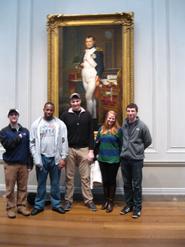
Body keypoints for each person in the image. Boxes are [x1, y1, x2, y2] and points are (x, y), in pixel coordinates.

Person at [30, 102, 68, 215]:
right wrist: (36, 158)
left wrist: (63, 158)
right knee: (41, 184)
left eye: (51, 110)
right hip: (42, 158)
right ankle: (38, 205)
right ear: (43, 109)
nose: (49, 112)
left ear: (53, 111)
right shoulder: (36, 124)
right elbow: (31, 143)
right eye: (47, 110)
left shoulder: (60, 124)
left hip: (55, 159)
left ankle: (56, 205)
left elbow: (64, 141)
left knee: (55, 184)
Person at [61, 93, 96, 211]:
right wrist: (62, 152)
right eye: (73, 101)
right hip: (69, 149)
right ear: (70, 103)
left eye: (77, 101)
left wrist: (91, 151)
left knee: (85, 177)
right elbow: (62, 135)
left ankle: (88, 200)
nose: (75, 103)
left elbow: (91, 134)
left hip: (84, 150)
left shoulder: (87, 115)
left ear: (80, 101)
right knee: (69, 177)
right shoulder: (65, 116)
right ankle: (68, 200)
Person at [120, 103, 152, 218]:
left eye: (132, 111)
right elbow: (120, 139)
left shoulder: (142, 126)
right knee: (127, 184)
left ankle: (137, 208)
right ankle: (129, 205)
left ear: (136, 112)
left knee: (137, 185)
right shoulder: (123, 124)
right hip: (125, 159)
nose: (130, 113)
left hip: (136, 160)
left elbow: (148, 141)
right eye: (128, 111)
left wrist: (138, 150)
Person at [0, 109, 32, 218]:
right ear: (8, 117)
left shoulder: (25, 131)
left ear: (18, 116)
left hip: (23, 164)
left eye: (15, 114)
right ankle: (10, 208)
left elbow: (28, 148)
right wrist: (18, 137)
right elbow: (8, 145)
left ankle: (21, 206)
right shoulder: (4, 131)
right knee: (10, 189)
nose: (14, 116)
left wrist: (29, 163)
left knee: (23, 187)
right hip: (10, 165)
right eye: (11, 115)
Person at [95, 110, 122, 213]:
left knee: (111, 181)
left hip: (114, 160)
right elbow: (97, 143)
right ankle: (106, 200)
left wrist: (120, 158)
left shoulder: (118, 131)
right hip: (102, 159)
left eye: (113, 118)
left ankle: (111, 202)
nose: (111, 120)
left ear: (115, 119)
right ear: (106, 118)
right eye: (109, 118)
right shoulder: (101, 130)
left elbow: (121, 145)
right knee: (105, 181)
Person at [80, 35, 104, 118]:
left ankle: (88, 117)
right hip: (84, 75)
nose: (88, 43)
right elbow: (81, 62)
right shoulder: (84, 52)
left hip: (92, 75)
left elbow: (101, 66)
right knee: (92, 98)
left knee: (88, 97)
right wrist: (81, 64)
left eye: (90, 41)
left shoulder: (98, 51)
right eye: (87, 41)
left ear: (94, 42)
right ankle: (93, 118)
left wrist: (98, 76)